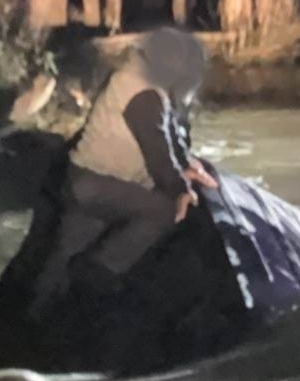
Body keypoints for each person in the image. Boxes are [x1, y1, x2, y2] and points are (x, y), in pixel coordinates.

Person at [29, 27, 218, 319]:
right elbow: (157, 148)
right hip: (101, 184)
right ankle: (101, 270)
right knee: (163, 211)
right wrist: (181, 190)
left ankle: (36, 315)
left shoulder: (135, 77)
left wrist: (187, 163)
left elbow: (167, 134)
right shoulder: (144, 92)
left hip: (83, 177)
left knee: (66, 251)